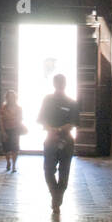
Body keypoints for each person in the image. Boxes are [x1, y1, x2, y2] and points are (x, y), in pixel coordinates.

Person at [37, 74, 80, 210]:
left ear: (65, 84)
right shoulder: (47, 100)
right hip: (50, 139)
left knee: (64, 170)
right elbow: (41, 119)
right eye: (58, 82)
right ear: (54, 84)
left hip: (66, 140)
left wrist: (60, 130)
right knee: (48, 170)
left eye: (62, 82)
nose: (60, 84)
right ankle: (55, 193)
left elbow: (73, 122)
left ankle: (58, 194)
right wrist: (51, 129)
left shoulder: (71, 102)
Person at [0, 90, 24, 172]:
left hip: (15, 129)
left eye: (13, 97)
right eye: (9, 97)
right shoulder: (3, 108)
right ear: (7, 98)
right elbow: (1, 120)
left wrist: (18, 126)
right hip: (6, 129)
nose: (11, 99)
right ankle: (8, 161)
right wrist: (3, 131)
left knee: (15, 148)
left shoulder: (19, 108)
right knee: (6, 148)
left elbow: (20, 118)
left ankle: (14, 165)